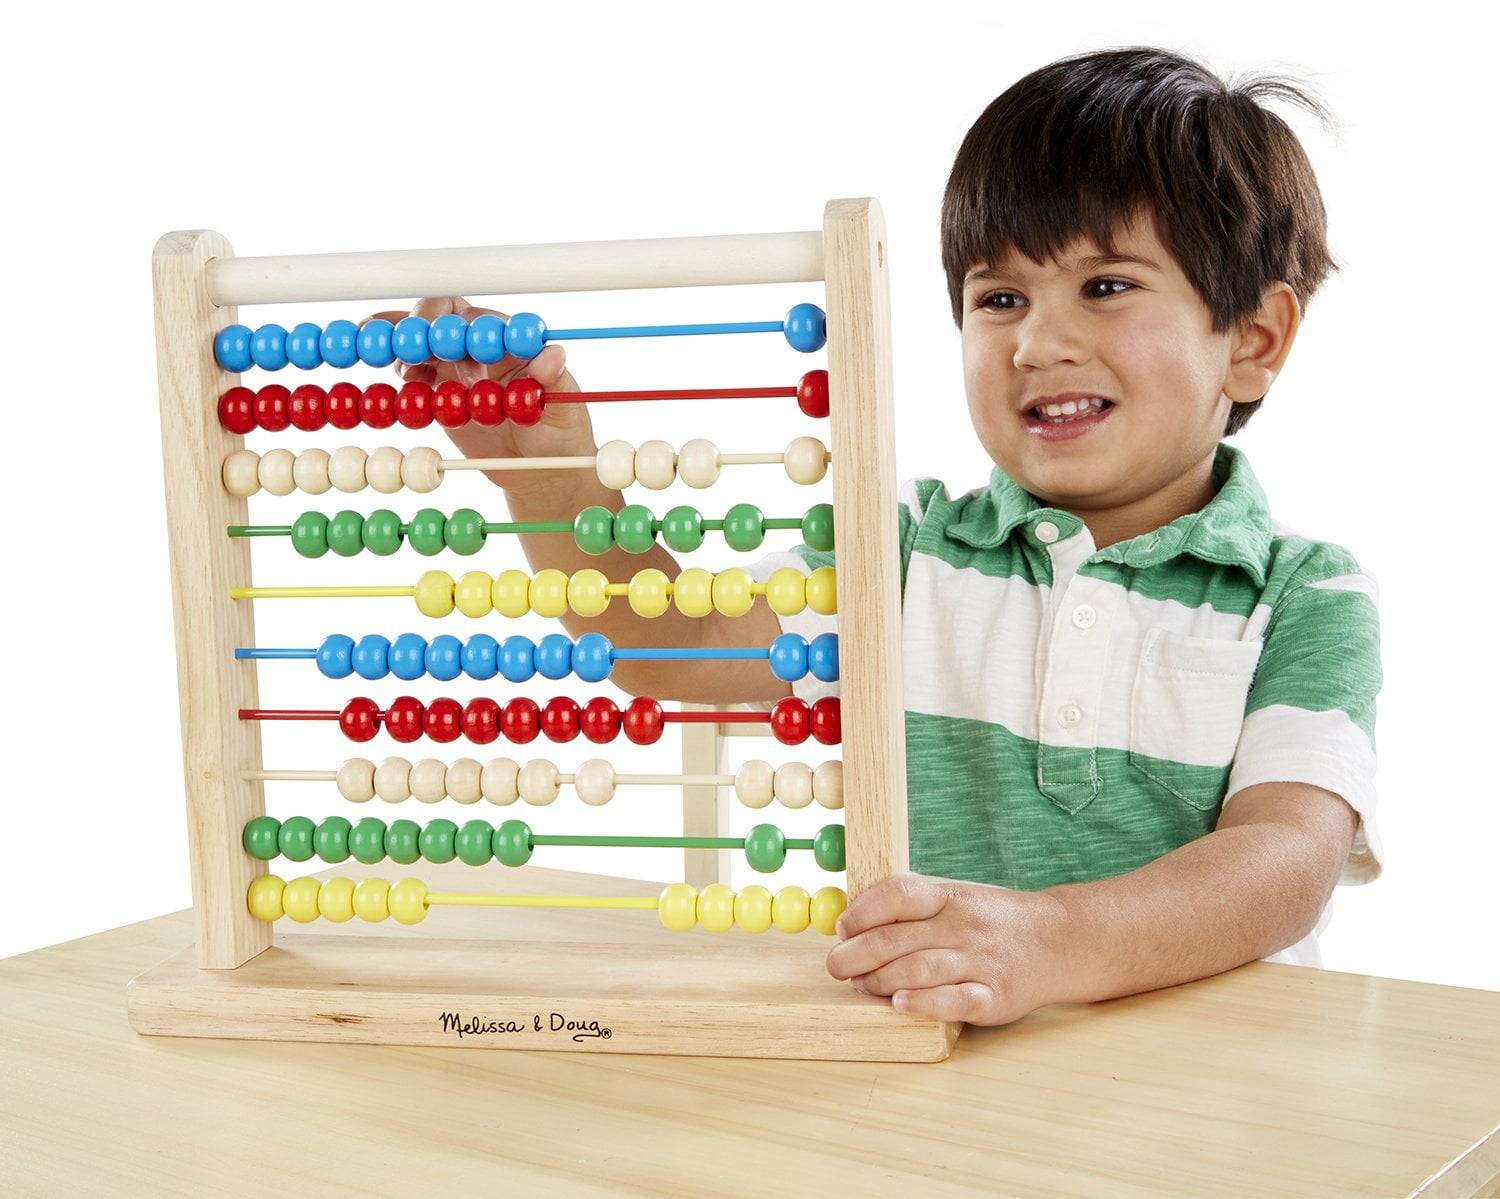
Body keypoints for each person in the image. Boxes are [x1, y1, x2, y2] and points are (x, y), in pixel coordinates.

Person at [376, 46, 1382, 1028]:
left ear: (1254, 339)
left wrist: (1050, 939)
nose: (1036, 342)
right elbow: (674, 645)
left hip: (1219, 1092)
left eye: (1106, 286)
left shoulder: (1301, 595)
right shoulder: (899, 549)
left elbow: (1285, 857)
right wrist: (548, 475)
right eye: (999, 299)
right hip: (937, 1075)